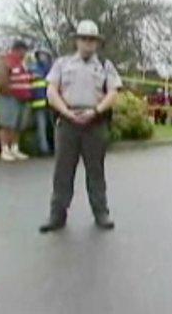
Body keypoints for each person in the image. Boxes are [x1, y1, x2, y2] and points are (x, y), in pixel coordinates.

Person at [39, 20, 122, 233]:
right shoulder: (62, 63)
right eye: (84, 39)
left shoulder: (104, 65)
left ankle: (101, 212)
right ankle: (57, 215)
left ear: (97, 43)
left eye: (92, 40)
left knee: (96, 171)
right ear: (76, 41)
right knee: (63, 171)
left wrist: (96, 111)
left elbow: (113, 92)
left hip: (94, 122)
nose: (88, 44)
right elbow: (51, 91)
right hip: (67, 121)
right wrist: (66, 112)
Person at [0, 40, 33, 162]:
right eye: (23, 50)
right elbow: (0, 79)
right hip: (9, 97)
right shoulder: (5, 60)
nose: (24, 53)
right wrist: (7, 91)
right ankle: (5, 149)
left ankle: (14, 148)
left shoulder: (23, 62)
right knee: (6, 123)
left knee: (18, 125)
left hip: (23, 97)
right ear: (16, 49)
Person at [30, 49, 55, 156]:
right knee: (41, 126)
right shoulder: (33, 68)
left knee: (54, 126)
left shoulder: (53, 68)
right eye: (40, 55)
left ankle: (56, 147)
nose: (42, 57)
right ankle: (43, 149)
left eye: (44, 55)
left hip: (52, 102)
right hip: (38, 102)